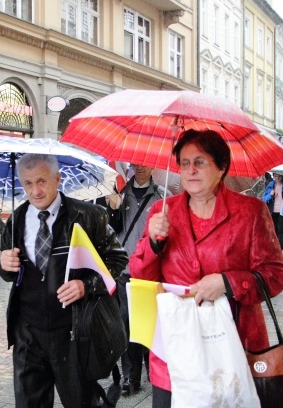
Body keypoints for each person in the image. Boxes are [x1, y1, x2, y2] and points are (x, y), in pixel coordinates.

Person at [129, 130, 283, 407]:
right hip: (176, 346)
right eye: (184, 163)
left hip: (233, 345)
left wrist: (227, 282)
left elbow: (275, 275)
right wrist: (153, 244)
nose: (190, 170)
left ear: (221, 168)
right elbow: (140, 275)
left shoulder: (250, 212)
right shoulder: (162, 211)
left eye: (200, 162)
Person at [0, 153, 127, 408]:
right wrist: (5, 266)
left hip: (73, 333)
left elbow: (117, 260)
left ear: (57, 179)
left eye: (42, 181)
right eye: (27, 183)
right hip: (28, 334)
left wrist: (86, 285)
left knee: (80, 402)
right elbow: (11, 273)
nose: (35, 191)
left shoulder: (89, 216)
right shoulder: (16, 220)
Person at [106, 163, 166, 396]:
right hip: (125, 270)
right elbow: (110, 231)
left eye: (145, 163)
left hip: (151, 273)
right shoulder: (119, 194)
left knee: (150, 325)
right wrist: (113, 209)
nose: (140, 168)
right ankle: (131, 377)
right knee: (126, 325)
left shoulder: (162, 197)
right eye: (135, 164)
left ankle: (153, 367)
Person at [262, 171, 283, 249]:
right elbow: (264, 199)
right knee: (273, 230)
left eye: (279, 176)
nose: (277, 178)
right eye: (276, 176)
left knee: (280, 230)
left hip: (282, 212)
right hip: (272, 211)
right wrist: (271, 195)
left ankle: (279, 248)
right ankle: (273, 247)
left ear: (282, 176)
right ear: (273, 176)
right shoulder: (270, 186)